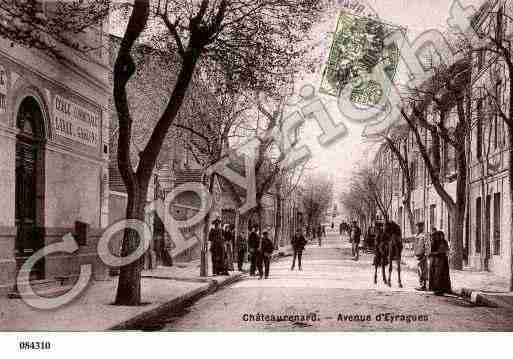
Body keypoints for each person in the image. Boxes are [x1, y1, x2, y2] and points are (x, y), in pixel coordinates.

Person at [428, 230, 452, 295]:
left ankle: (441, 289)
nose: (439, 237)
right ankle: (436, 289)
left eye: (441, 236)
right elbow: (431, 251)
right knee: (435, 275)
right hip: (436, 261)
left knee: (440, 275)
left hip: (441, 261)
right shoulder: (434, 242)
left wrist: (433, 253)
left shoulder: (443, 242)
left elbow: (442, 251)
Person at [413, 221, 429, 291]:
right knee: (419, 271)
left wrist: (425, 255)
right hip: (417, 255)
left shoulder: (424, 235)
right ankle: (421, 284)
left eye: (420, 226)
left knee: (423, 271)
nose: (418, 228)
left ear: (422, 227)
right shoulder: (417, 235)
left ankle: (423, 285)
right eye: (417, 227)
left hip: (422, 255)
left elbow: (427, 245)